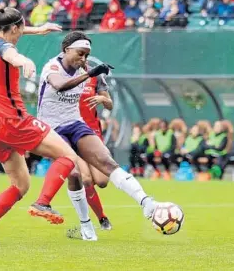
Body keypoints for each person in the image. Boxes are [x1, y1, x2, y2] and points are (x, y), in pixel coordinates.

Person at [0, 2, 97, 244]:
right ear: (15, 28)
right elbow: (11, 53)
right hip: (13, 121)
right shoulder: (5, 48)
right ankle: (43, 202)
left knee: (20, 184)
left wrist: (37, 30)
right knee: (68, 157)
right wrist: (24, 61)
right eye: (23, 28)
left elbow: (9, 36)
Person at [34, 31, 159, 237]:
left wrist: (98, 86)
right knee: (75, 174)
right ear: (66, 50)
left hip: (76, 123)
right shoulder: (52, 67)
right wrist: (90, 74)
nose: (83, 59)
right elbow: (60, 86)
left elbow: (107, 100)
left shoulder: (89, 71)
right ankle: (87, 225)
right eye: (80, 53)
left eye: (86, 55)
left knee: (106, 166)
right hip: (52, 128)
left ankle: (145, 202)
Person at [78, 62, 113, 230]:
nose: (82, 58)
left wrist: (103, 98)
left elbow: (110, 105)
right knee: (85, 179)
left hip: (92, 134)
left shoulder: (96, 76)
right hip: (71, 134)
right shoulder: (63, 74)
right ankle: (100, 218)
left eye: (85, 54)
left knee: (102, 181)